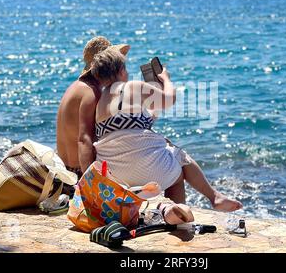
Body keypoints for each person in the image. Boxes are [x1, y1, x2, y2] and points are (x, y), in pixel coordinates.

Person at [90, 48, 242, 212]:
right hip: (141, 166)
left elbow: (130, 126)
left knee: (166, 156)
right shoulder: (132, 86)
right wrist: (166, 80)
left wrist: (153, 92)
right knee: (178, 164)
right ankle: (206, 201)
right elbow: (169, 100)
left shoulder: (100, 102)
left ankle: (173, 211)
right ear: (121, 70)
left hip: (115, 174)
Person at [56, 37, 131, 179]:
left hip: (63, 169)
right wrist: (90, 182)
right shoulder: (92, 94)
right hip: (77, 173)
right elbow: (85, 139)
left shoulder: (76, 86)